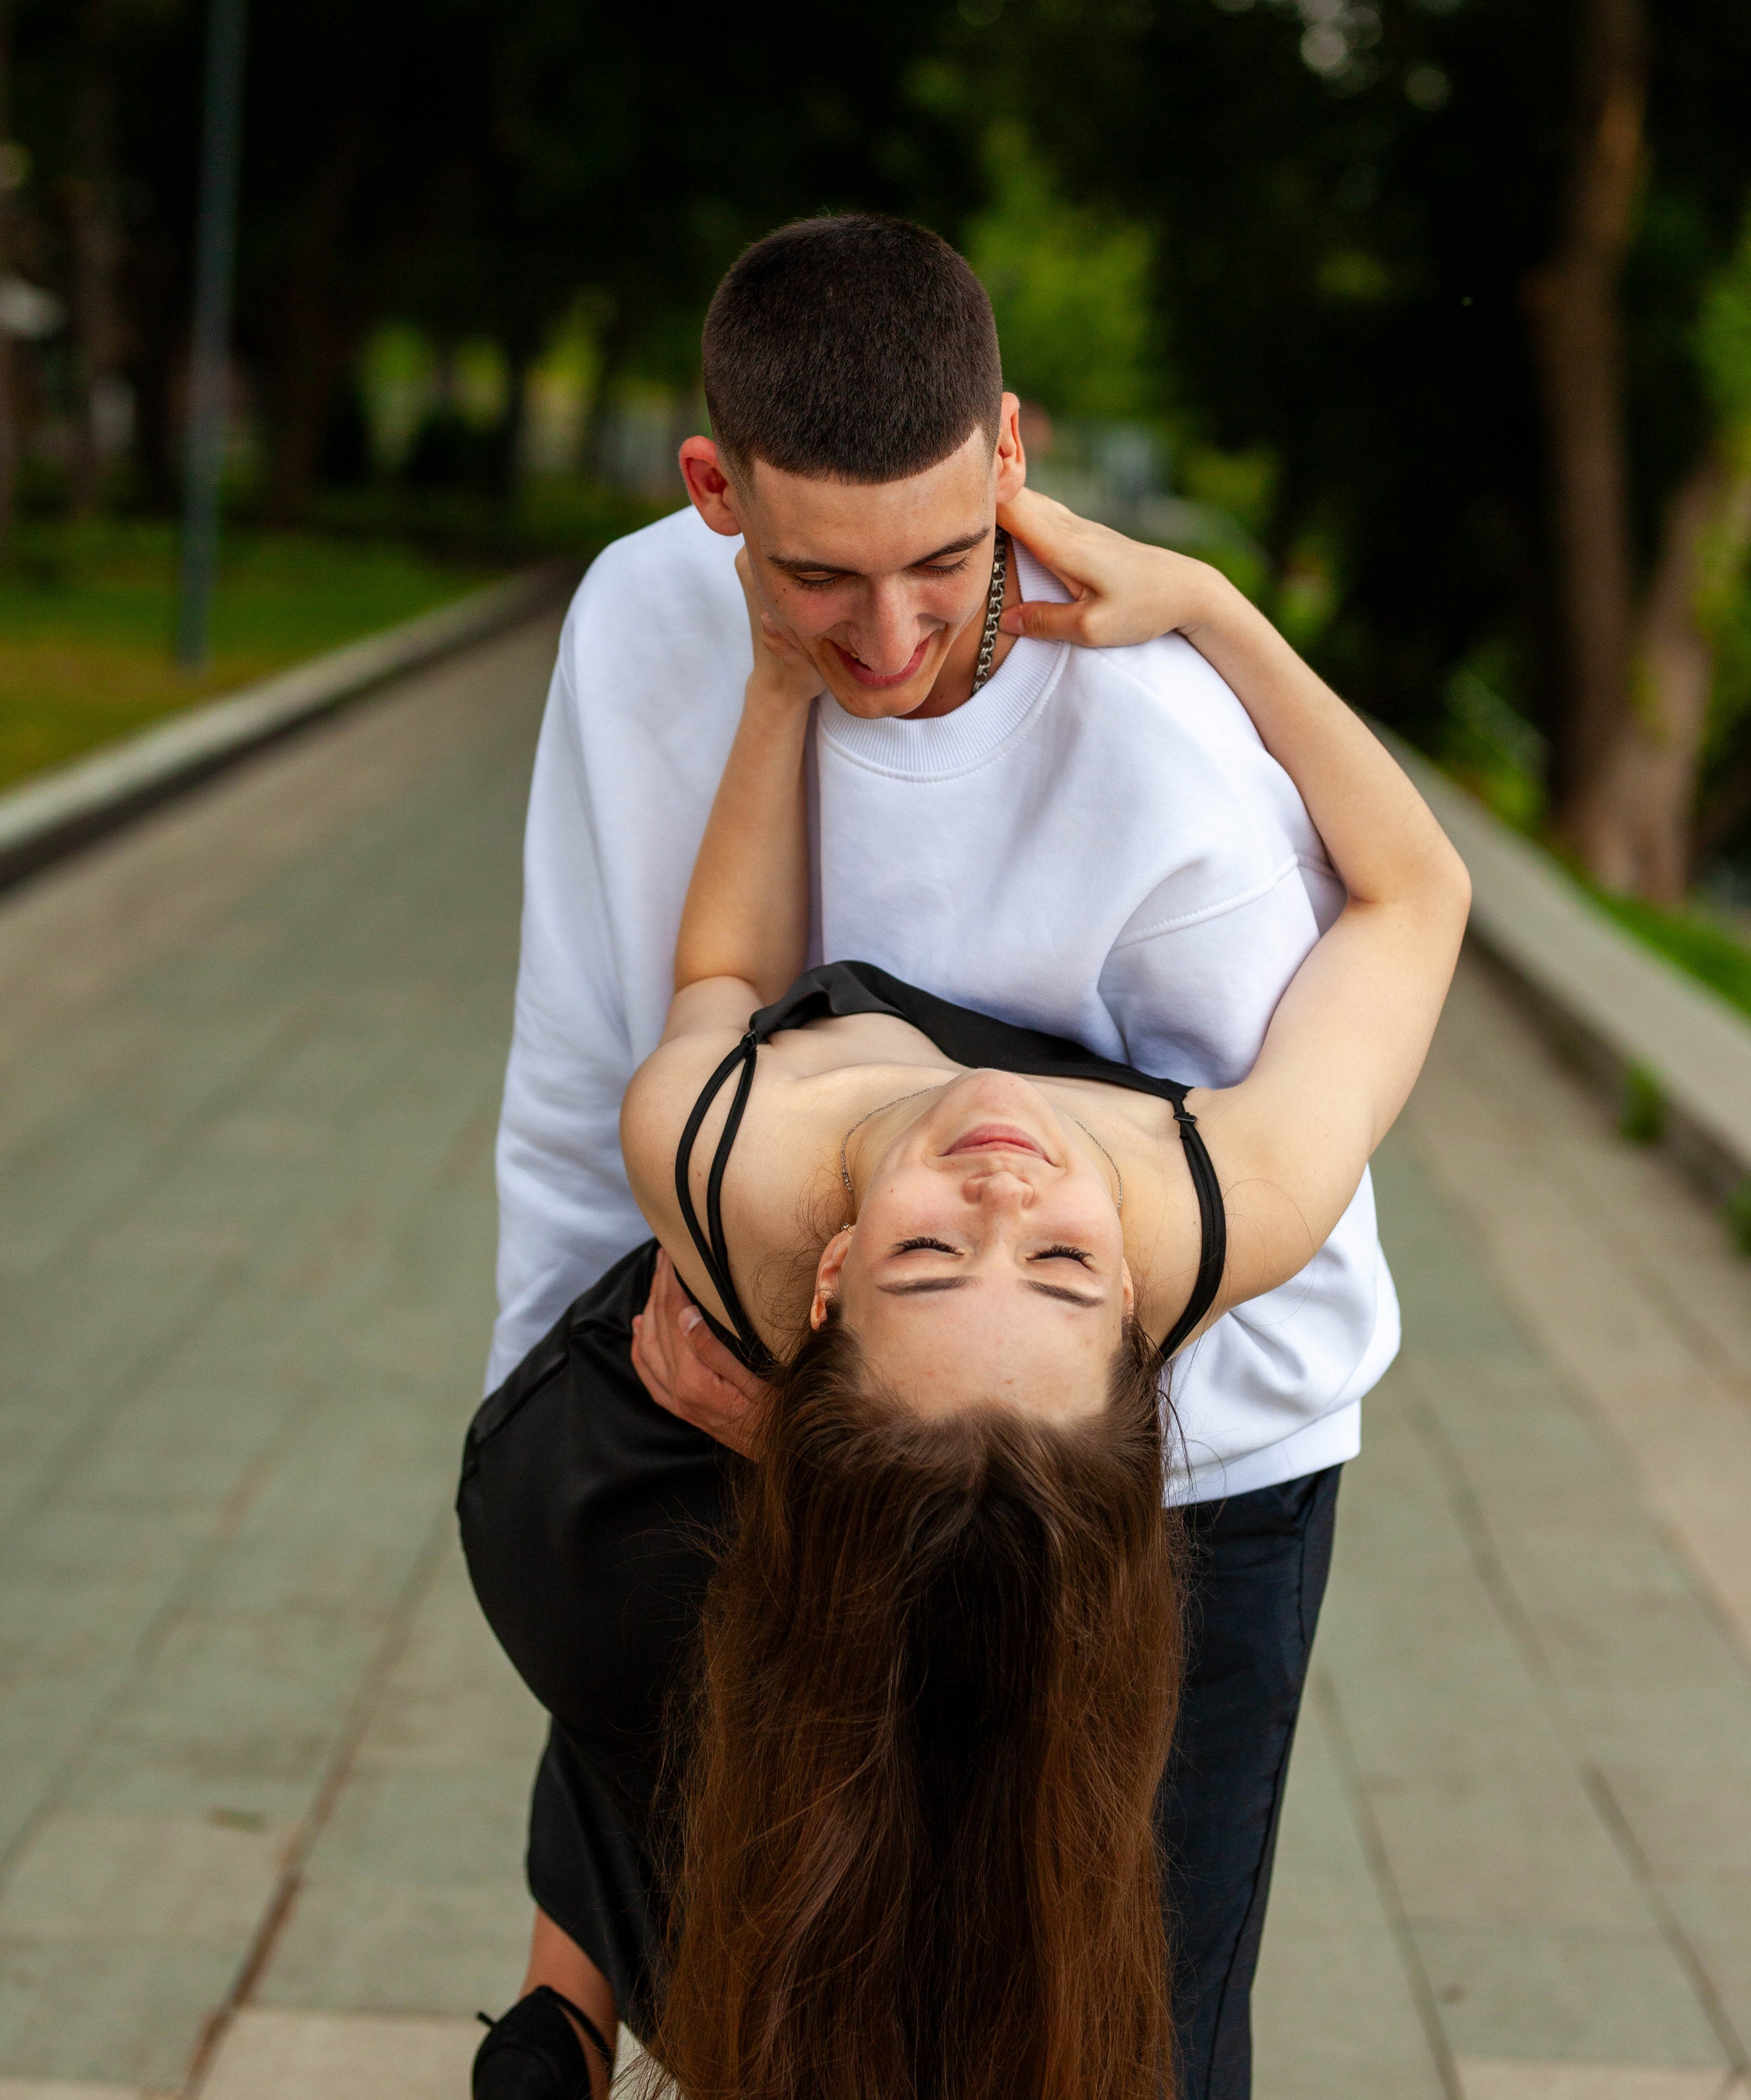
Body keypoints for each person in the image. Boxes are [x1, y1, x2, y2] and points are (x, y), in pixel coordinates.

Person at [474, 215, 1420, 2099]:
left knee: (1125, 2019)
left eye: (943, 560)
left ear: (1013, 453)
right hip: (817, 1379)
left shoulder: (1168, 756)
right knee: (798, 1940)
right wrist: (587, 1424)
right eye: (818, 578)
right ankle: (580, 1999)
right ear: (714, 490)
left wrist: (1217, 611)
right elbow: (603, 1045)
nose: (889, 641)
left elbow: (1405, 911)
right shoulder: (640, 630)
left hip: (1182, 1470)